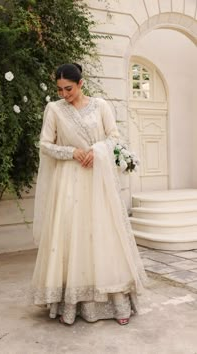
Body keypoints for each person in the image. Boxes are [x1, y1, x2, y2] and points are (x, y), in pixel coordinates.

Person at [31, 63, 147, 325]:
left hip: (98, 181)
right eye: (59, 89)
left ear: (81, 84)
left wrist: (96, 151)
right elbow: (46, 144)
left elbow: (114, 138)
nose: (64, 94)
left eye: (69, 88)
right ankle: (70, 303)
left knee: (104, 235)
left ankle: (117, 303)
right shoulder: (54, 109)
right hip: (68, 183)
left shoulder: (101, 106)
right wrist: (72, 152)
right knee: (72, 236)